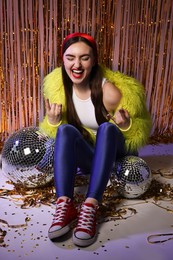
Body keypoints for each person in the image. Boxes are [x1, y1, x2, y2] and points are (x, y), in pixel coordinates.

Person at [39, 32, 151, 247]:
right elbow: (54, 137)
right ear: (63, 60)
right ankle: (65, 204)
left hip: (116, 158)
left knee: (107, 129)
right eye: (70, 57)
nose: (77, 65)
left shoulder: (110, 92)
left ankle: (90, 206)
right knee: (64, 131)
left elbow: (137, 135)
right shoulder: (59, 90)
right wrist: (52, 121)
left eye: (84, 57)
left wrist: (126, 125)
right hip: (91, 159)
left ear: (94, 60)